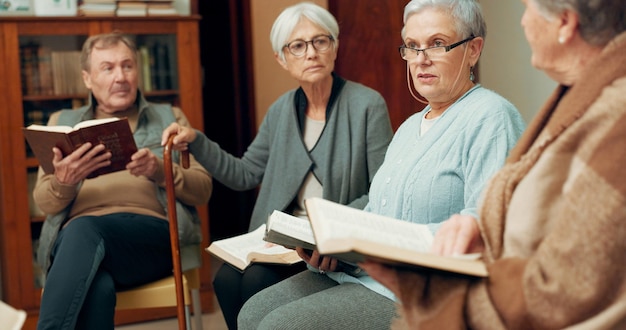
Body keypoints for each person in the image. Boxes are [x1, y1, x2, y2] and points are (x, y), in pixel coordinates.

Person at [237, 0, 526, 329]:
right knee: (252, 311)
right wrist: (333, 243)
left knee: (278, 325)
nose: (421, 60)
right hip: (367, 274)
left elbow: (490, 227)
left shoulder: (491, 117)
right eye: (412, 47)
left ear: (473, 50)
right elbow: (378, 212)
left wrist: (384, 246)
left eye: (437, 44)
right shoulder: (408, 129)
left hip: (424, 293)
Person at [360, 0, 626, 329]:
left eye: (528, 9)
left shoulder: (612, 118)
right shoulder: (577, 97)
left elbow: (566, 282)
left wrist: (433, 295)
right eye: (412, 47)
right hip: (393, 282)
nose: (524, 23)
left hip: (442, 294)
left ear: (566, 23)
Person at [161, 2, 394, 329]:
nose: (311, 53)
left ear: (335, 46)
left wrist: (327, 228)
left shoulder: (367, 105)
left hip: (330, 240)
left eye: (320, 41)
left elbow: (383, 192)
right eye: (297, 46)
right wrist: (197, 140)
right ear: (281, 59)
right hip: (281, 240)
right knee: (226, 281)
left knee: (256, 282)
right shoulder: (280, 111)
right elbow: (244, 174)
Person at [34, 32, 212, 330]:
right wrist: (64, 181)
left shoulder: (169, 117)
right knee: (97, 287)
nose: (121, 77)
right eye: (108, 68)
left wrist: (158, 170)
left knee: (84, 228)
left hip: (151, 238)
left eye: (127, 66)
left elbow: (202, 189)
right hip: (76, 244)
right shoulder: (61, 123)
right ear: (87, 79)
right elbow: (44, 202)